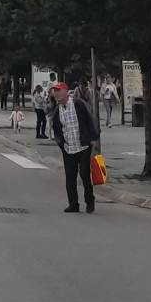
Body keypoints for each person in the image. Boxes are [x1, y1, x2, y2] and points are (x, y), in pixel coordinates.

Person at [48, 80, 98, 213]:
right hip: (68, 148)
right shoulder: (57, 110)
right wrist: (61, 143)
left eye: (58, 91)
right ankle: (73, 203)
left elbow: (89, 119)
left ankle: (89, 201)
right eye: (54, 91)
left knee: (84, 174)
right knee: (70, 177)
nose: (56, 94)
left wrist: (93, 138)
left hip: (83, 146)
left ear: (66, 91)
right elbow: (57, 129)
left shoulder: (78, 104)